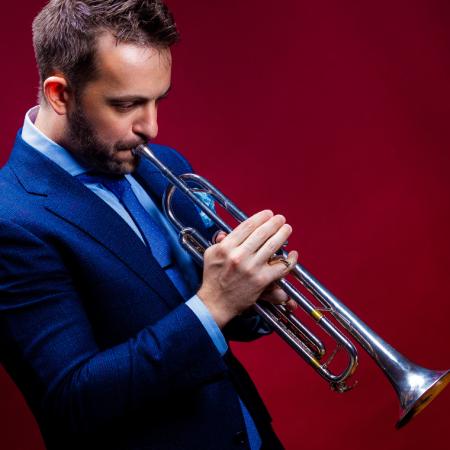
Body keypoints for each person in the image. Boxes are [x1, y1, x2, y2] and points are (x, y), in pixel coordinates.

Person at [0, 1, 298, 449]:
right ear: (61, 95)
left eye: (159, 99)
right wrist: (215, 304)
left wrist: (252, 297)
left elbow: (187, 314)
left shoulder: (162, 165)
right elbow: (72, 400)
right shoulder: (12, 220)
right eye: (127, 104)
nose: (152, 128)